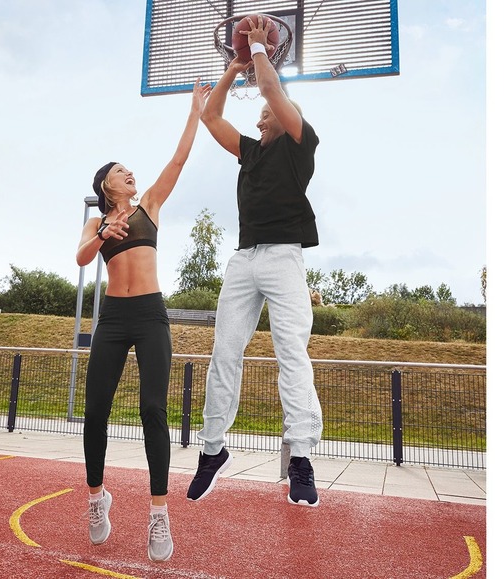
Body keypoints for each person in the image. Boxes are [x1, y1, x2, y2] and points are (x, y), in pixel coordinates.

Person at [186, 16, 323, 507]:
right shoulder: (249, 152)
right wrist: (234, 64)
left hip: (285, 258)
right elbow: (212, 118)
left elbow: (270, 85)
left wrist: (262, 48)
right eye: (265, 106)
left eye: (272, 106)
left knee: (292, 352)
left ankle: (301, 459)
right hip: (244, 260)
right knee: (225, 351)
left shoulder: (299, 141)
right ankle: (213, 449)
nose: (264, 107)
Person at [76, 79, 211, 561]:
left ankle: (158, 515)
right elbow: (80, 257)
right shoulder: (98, 222)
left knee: (153, 409)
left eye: (131, 170)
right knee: (96, 411)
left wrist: (195, 109)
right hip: (113, 318)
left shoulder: (150, 207)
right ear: (105, 185)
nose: (130, 173)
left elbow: (178, 160)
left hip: (150, 314)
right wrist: (102, 234)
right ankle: (97, 500)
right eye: (120, 171)